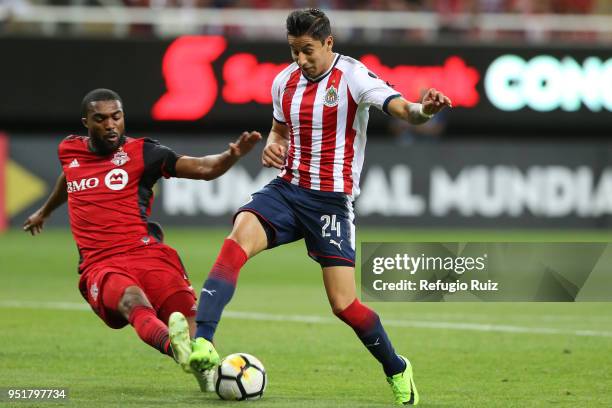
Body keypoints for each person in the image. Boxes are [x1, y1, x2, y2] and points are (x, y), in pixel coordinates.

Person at [170, 9, 452, 405]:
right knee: (236, 241)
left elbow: (406, 110)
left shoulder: (353, 76)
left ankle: (396, 366)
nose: (300, 60)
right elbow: (279, 129)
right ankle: (204, 343)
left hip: (331, 203)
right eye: (293, 51)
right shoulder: (284, 81)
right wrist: (273, 144)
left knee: (344, 305)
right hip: (287, 190)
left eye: (307, 50)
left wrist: (427, 110)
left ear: (328, 43)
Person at [23, 88, 261, 390]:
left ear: (123, 118)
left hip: (147, 253)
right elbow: (68, 177)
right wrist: (44, 211)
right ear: (86, 123)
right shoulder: (69, 150)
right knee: (132, 301)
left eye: (116, 117)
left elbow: (204, 168)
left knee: (186, 314)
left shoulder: (145, 153)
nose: (110, 125)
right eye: (101, 119)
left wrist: (231, 156)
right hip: (101, 263)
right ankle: (177, 350)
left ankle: (203, 368)